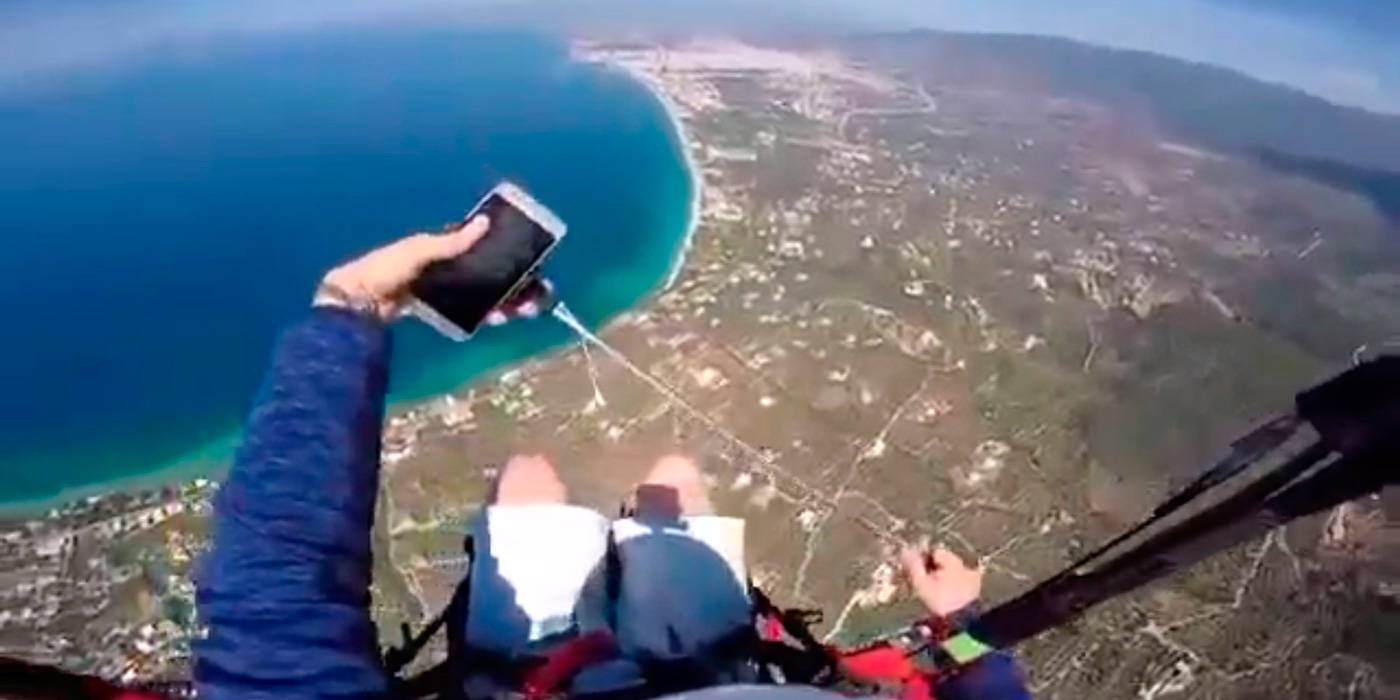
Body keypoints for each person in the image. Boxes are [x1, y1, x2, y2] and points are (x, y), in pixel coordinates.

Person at [194, 216, 1032, 700]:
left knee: (539, 483)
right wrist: (961, 629)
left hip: (543, 681)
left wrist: (351, 309)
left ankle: (616, 556)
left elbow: (278, 592)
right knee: (668, 485)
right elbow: (273, 590)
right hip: (715, 669)